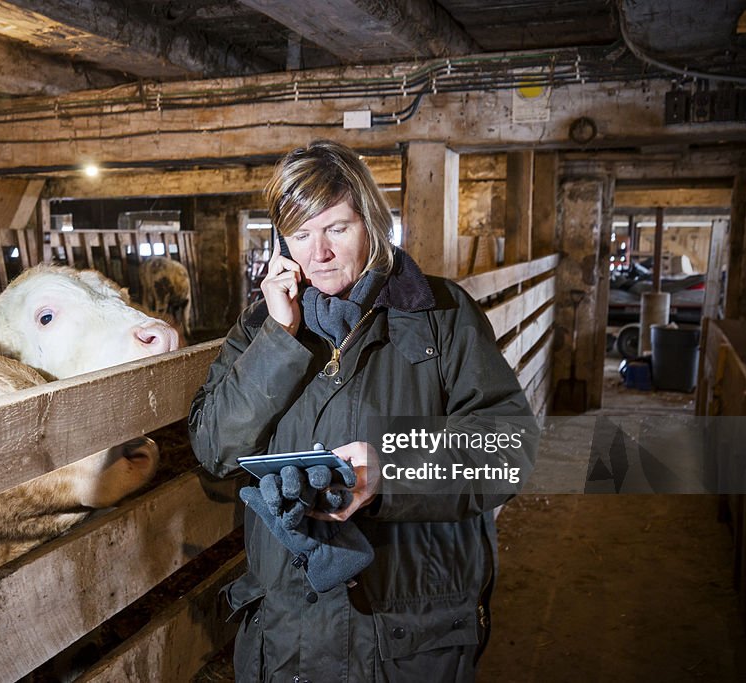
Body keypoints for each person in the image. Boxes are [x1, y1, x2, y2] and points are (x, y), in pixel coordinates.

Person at [188, 140, 537, 682]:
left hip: (406, 635)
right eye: (300, 235)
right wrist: (278, 340)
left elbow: (508, 448)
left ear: (372, 224)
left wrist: (390, 469)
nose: (317, 253)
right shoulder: (262, 327)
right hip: (291, 637)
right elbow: (215, 449)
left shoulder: (443, 317)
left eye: (336, 229)